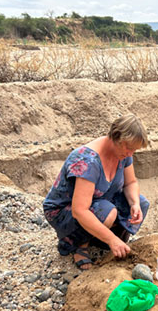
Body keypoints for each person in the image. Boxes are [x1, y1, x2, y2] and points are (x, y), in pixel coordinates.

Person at [43, 114, 150, 270]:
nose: (130, 154)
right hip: (64, 211)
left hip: (100, 199)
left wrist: (134, 204)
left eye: (133, 150)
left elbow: (131, 183)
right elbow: (79, 210)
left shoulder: (123, 153)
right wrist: (112, 239)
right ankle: (78, 244)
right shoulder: (88, 161)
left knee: (141, 203)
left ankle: (99, 239)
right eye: (128, 148)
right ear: (116, 138)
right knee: (107, 212)